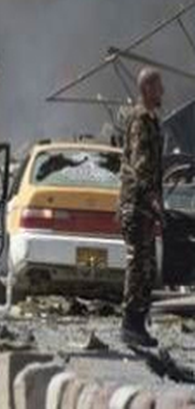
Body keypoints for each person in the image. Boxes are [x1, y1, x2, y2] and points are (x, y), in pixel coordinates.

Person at [119, 68, 165, 347]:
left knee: (147, 267)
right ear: (147, 88)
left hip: (145, 206)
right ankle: (130, 326)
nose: (163, 92)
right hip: (137, 204)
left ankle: (138, 325)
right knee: (138, 266)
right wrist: (152, 197)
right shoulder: (139, 120)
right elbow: (140, 165)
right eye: (158, 86)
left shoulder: (151, 120)